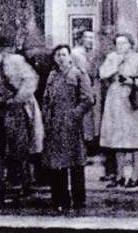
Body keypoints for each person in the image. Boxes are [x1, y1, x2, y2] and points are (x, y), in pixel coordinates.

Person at [40, 44, 97, 213]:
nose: (60, 58)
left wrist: (74, 114)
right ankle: (60, 200)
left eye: (64, 54)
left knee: (76, 164)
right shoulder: (52, 75)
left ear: (70, 56)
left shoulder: (79, 74)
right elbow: (46, 99)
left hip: (72, 126)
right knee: (57, 165)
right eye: (57, 55)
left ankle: (79, 201)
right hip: (54, 126)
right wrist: (46, 117)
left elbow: (88, 99)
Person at [0, 35, 36, 198]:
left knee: (18, 148)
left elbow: (31, 80)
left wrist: (17, 99)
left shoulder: (14, 62)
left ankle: (24, 184)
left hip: (13, 110)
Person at [98, 32, 138, 188]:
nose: (120, 46)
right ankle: (120, 175)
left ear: (130, 44)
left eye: (123, 43)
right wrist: (115, 65)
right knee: (118, 139)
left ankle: (135, 176)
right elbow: (102, 74)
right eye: (117, 43)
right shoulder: (111, 57)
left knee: (135, 139)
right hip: (115, 99)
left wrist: (133, 81)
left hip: (132, 98)